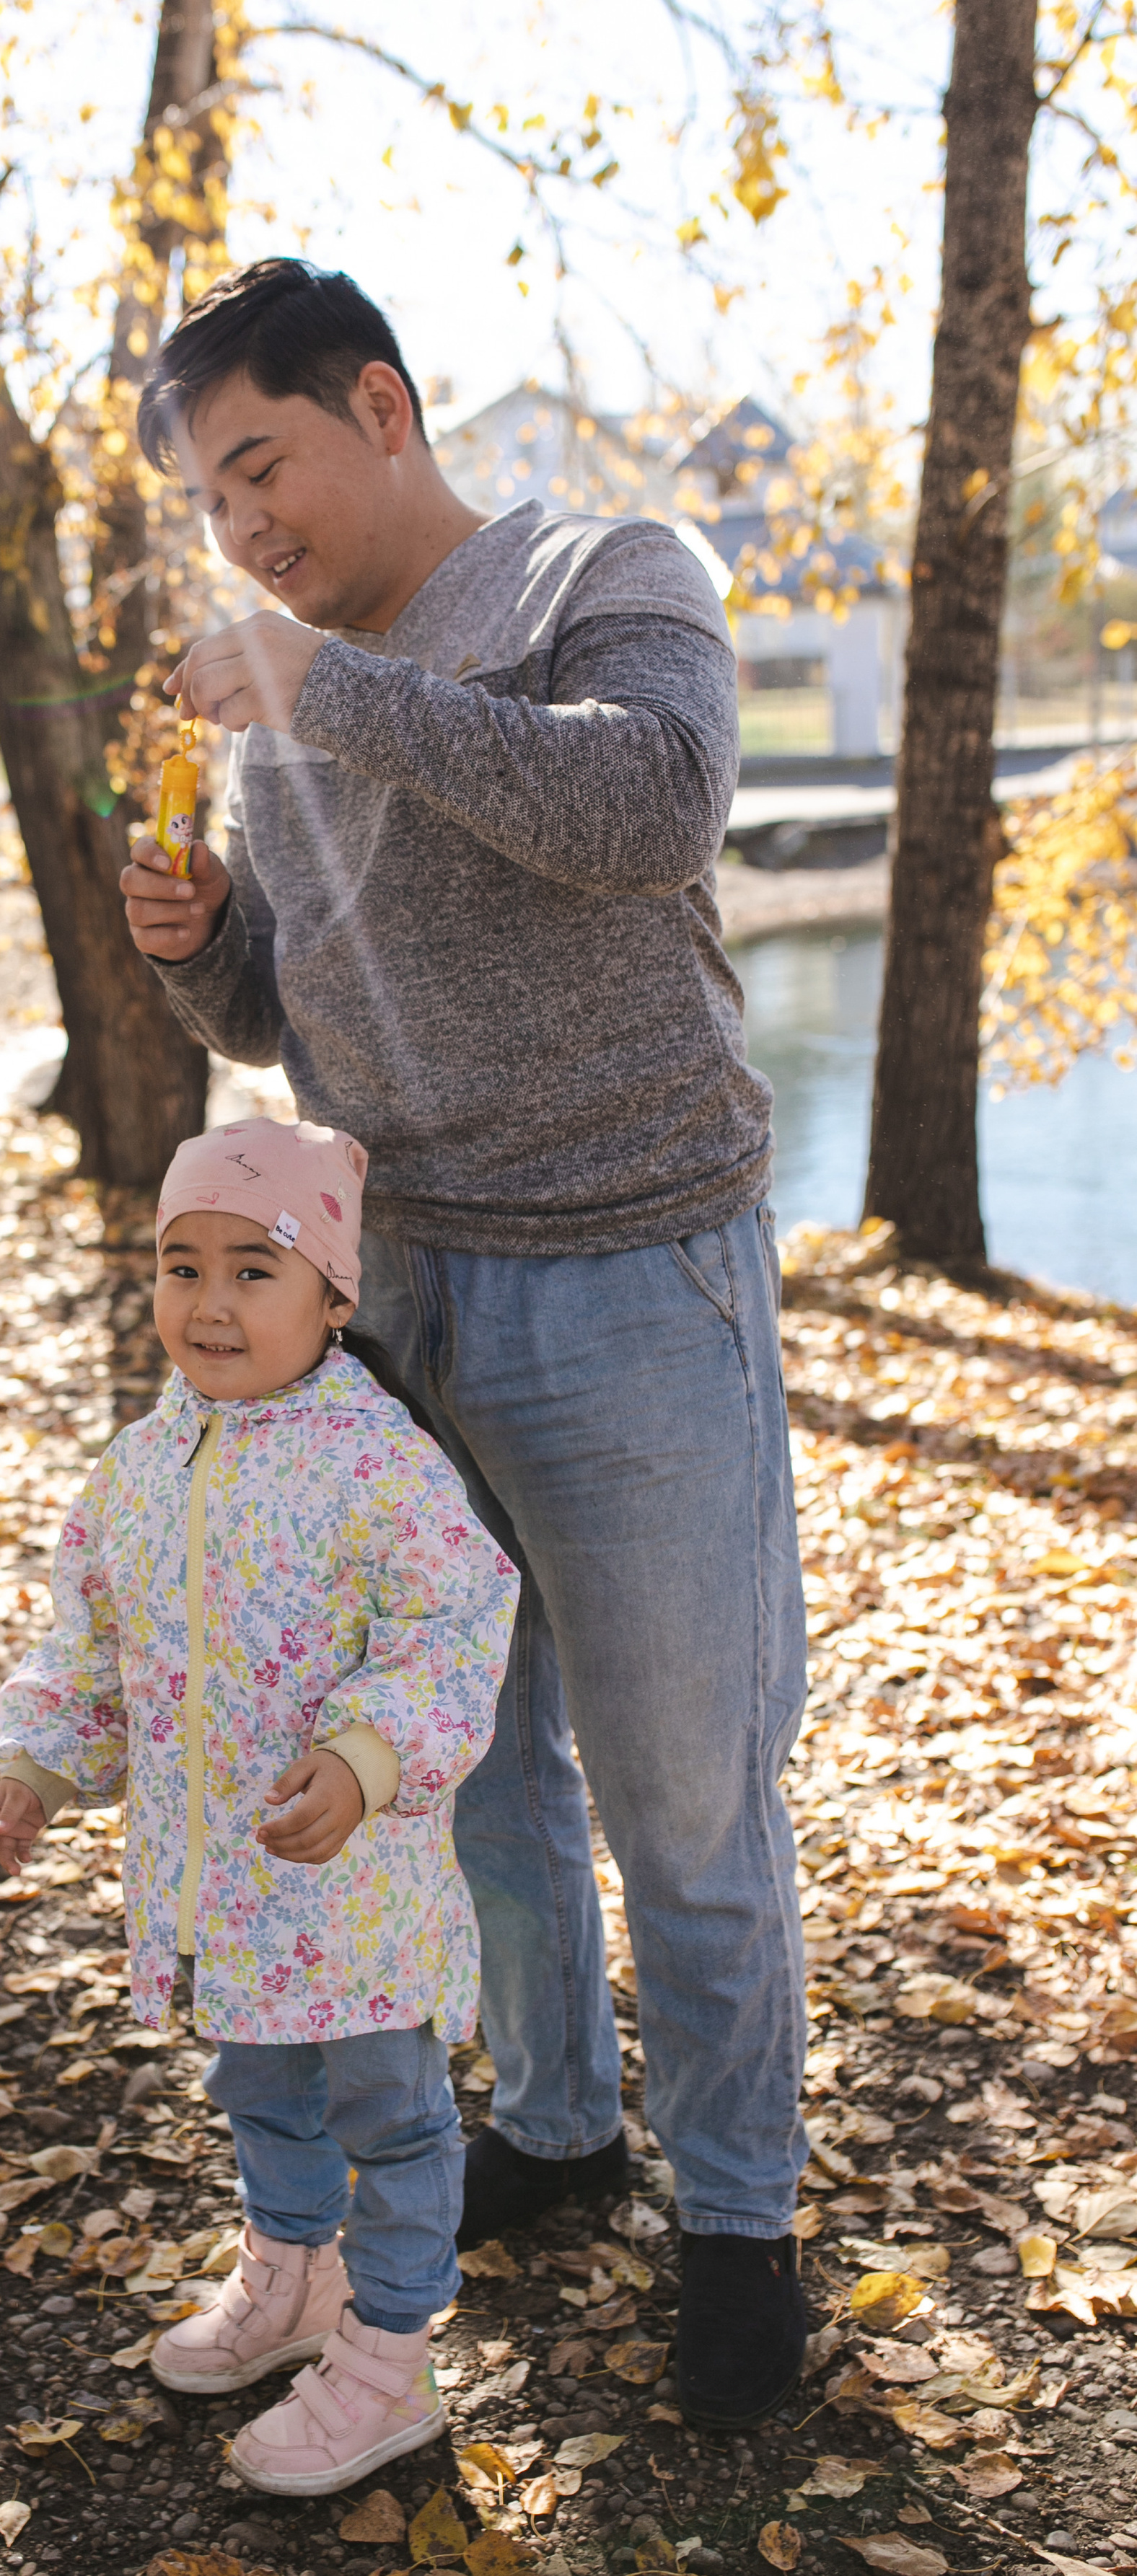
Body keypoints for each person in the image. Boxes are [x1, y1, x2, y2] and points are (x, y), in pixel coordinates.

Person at [118, 258, 812, 2430]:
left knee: (691, 1798)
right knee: (474, 1780)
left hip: (635, 1276)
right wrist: (207, 950)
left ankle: (740, 2219)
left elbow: (648, 811)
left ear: (385, 408)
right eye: (210, 496)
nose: (241, 523)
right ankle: (561, 2124)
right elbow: (303, 1014)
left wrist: (324, 692)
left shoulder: (608, 570)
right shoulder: (289, 695)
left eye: (263, 463)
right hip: (397, 1305)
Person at [0, 1116, 518, 2497]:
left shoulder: (379, 1462)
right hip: (221, 1889)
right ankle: (296, 2279)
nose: (209, 1304)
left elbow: (454, 1629)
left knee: (389, 2114)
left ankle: (391, 2359)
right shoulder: (144, 1466)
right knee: (257, 2087)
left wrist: (367, 1759)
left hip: (356, 1894)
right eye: (180, 1265)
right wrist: (34, 1766)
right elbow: (88, 1648)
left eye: (254, 1271)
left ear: (335, 1298)